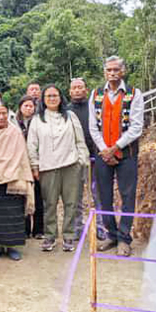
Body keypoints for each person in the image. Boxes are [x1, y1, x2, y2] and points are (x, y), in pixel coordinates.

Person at [88, 57, 145, 256]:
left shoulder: (134, 94)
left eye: (116, 69)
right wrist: (105, 150)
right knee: (104, 196)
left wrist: (116, 148)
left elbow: (137, 127)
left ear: (123, 71)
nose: (112, 73)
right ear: (104, 72)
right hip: (103, 155)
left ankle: (124, 238)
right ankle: (111, 235)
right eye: (108, 70)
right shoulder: (95, 95)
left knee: (127, 195)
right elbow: (93, 127)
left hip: (127, 154)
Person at [27, 85, 89, 252]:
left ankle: (69, 237)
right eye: (48, 96)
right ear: (43, 99)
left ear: (61, 98)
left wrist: (82, 162)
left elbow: (79, 140)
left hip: (71, 166)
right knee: (50, 204)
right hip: (47, 168)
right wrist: (34, 166)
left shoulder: (70, 116)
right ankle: (50, 236)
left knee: (71, 203)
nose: (52, 98)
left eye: (55, 95)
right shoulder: (37, 120)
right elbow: (32, 145)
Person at [0, 102, 33, 261]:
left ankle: (12, 247)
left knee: (12, 215)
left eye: (4, 113)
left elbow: (20, 155)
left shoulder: (14, 132)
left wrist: (11, 172)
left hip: (13, 179)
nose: (1, 117)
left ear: (8, 114)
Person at [67, 77, 107, 240]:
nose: (77, 90)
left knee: (98, 193)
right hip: (74, 159)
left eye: (80, 87)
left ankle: (101, 226)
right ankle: (77, 226)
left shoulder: (94, 107)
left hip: (95, 156)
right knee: (75, 195)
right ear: (70, 92)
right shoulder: (66, 111)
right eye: (74, 88)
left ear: (85, 90)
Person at [16, 96, 44, 240]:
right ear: (20, 107)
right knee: (22, 197)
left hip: (38, 163)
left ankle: (39, 229)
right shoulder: (14, 123)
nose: (28, 108)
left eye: (31, 106)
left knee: (39, 197)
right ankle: (24, 229)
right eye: (25, 106)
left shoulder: (40, 122)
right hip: (20, 165)